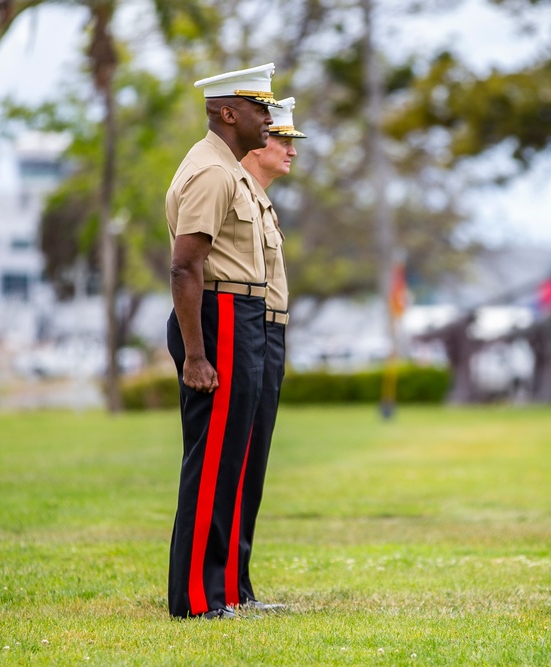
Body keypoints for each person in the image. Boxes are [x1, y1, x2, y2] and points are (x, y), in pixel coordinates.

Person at [164, 62, 280, 620]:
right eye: (260, 108)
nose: (269, 118)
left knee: (230, 460)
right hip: (220, 315)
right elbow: (185, 267)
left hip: (241, 312)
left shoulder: (227, 169)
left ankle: (225, 593)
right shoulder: (212, 172)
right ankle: (194, 599)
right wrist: (195, 354)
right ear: (227, 112)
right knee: (210, 463)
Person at [236, 98, 306, 611]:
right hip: (245, 329)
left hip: (267, 332)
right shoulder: (233, 190)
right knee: (232, 466)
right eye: (281, 138)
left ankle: (237, 585)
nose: (289, 150)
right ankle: (222, 588)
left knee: (250, 466)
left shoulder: (259, 199)